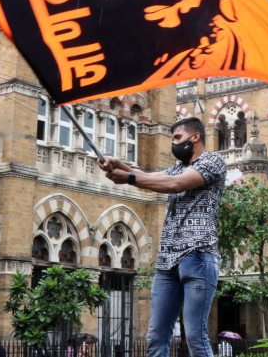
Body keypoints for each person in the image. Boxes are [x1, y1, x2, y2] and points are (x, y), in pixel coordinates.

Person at [98, 117, 226, 357]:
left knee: (196, 337)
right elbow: (153, 177)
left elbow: (176, 184)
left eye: (178, 138)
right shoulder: (177, 168)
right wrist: (120, 165)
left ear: (195, 137)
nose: (174, 144)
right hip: (168, 262)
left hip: (198, 257)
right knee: (156, 337)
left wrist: (128, 177)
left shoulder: (213, 161)